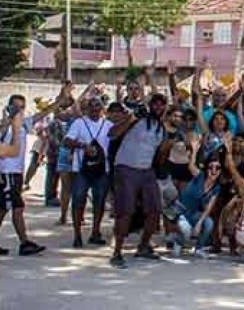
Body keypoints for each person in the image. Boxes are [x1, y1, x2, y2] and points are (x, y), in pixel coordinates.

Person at [107, 92, 172, 268]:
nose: (158, 107)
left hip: (146, 170)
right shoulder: (136, 120)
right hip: (126, 168)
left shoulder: (161, 128)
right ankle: (117, 252)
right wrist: (132, 117)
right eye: (155, 104)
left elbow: (159, 156)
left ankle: (143, 246)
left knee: (154, 210)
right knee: (125, 211)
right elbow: (112, 133)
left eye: (162, 104)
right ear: (150, 106)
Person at [0, 95, 47, 256]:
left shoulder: (22, 125)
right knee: (17, 207)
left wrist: (61, 99)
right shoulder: (6, 127)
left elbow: (43, 114)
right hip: (8, 172)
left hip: (16, 172)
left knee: (3, 208)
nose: (20, 110)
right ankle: (24, 242)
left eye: (22, 107)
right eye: (16, 107)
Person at [65, 96, 112, 249]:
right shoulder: (79, 123)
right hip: (81, 169)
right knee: (78, 200)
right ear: (86, 109)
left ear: (102, 108)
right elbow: (67, 141)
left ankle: (95, 232)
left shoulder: (108, 125)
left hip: (102, 170)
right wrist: (82, 145)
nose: (94, 109)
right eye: (91, 106)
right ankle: (77, 234)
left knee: (100, 202)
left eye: (97, 106)